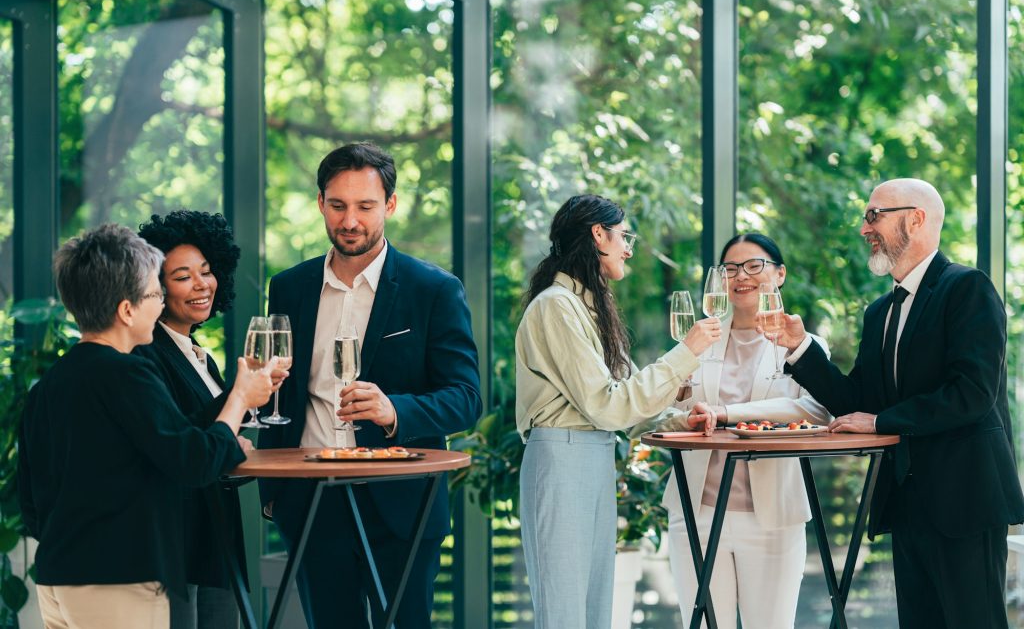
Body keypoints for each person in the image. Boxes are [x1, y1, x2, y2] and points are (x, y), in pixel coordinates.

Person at [774, 178, 1024, 629]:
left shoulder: (968, 289)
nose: (864, 228)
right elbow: (858, 402)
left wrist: (881, 420)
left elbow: (972, 394)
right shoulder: (879, 312)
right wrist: (800, 349)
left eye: (875, 215)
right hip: (908, 503)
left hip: (965, 501)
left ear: (916, 218)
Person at [257, 142, 482, 628]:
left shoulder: (434, 290)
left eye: (365, 206)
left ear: (391, 205)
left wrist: (394, 410)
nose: (350, 220)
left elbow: (467, 399)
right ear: (320, 203)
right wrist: (276, 494)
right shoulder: (289, 288)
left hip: (401, 503)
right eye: (337, 205)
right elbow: (278, 393)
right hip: (311, 500)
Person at [17, 223, 274, 629]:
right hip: (121, 578)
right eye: (155, 294)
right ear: (127, 310)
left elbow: (30, 504)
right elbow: (193, 462)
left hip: (57, 579)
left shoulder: (48, 384)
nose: (159, 306)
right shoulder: (128, 374)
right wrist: (240, 398)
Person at [515, 194, 721, 629]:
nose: (628, 247)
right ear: (597, 235)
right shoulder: (556, 305)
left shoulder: (589, 307)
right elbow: (607, 406)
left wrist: (680, 420)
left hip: (591, 454)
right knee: (564, 613)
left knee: (593, 613)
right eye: (623, 236)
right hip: (562, 457)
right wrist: (687, 351)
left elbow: (621, 400)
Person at [663, 233, 832, 629]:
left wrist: (726, 413)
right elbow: (667, 408)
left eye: (754, 265)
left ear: (780, 273)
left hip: (772, 515)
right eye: (730, 269)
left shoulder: (804, 346)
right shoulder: (698, 342)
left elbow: (815, 410)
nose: (741, 276)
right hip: (696, 514)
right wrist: (683, 399)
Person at [136, 210, 282, 629]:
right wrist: (238, 398)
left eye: (206, 271)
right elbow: (177, 438)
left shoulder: (201, 356)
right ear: (156, 288)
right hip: (179, 544)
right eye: (183, 277)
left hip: (214, 540)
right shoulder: (147, 353)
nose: (202, 285)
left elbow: (207, 434)